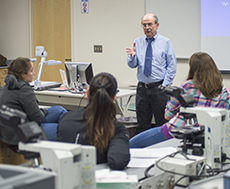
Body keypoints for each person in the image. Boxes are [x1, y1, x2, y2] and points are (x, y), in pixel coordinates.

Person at [129, 52, 230, 148]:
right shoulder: (224, 93)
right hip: (205, 138)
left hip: (175, 131)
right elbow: (224, 120)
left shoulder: (188, 86)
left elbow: (167, 115)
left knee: (130, 145)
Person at [57, 72, 130, 170]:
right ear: (114, 98)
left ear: (87, 93)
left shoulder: (66, 119)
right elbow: (118, 161)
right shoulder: (115, 128)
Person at [0, 57, 67, 151]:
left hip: (11, 133)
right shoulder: (23, 89)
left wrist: (38, 110)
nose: (34, 73)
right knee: (63, 129)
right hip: (20, 138)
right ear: (23, 74)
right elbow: (38, 118)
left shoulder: (6, 86)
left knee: (59, 110)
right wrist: (40, 110)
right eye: (31, 71)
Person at [126, 13, 177, 135]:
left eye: (150, 24)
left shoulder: (165, 42)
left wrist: (164, 86)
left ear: (157, 25)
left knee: (162, 123)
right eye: (144, 25)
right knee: (142, 125)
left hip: (159, 88)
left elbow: (172, 66)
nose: (147, 27)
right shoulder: (137, 42)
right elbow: (132, 65)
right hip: (142, 88)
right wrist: (132, 57)